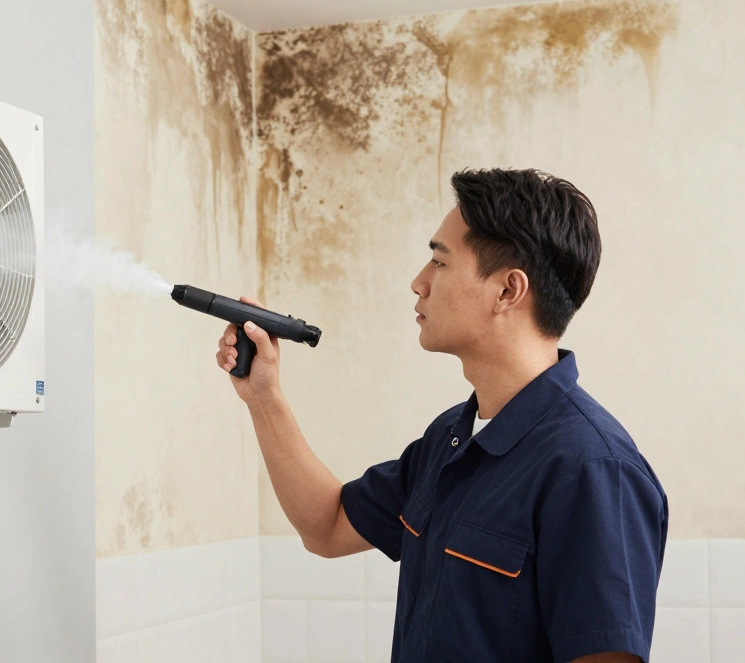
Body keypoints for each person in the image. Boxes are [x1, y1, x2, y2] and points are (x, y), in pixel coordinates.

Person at [216, 168, 667, 663]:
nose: (418, 282)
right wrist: (264, 397)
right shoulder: (451, 440)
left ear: (507, 291)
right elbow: (327, 527)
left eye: (439, 261)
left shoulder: (593, 469)